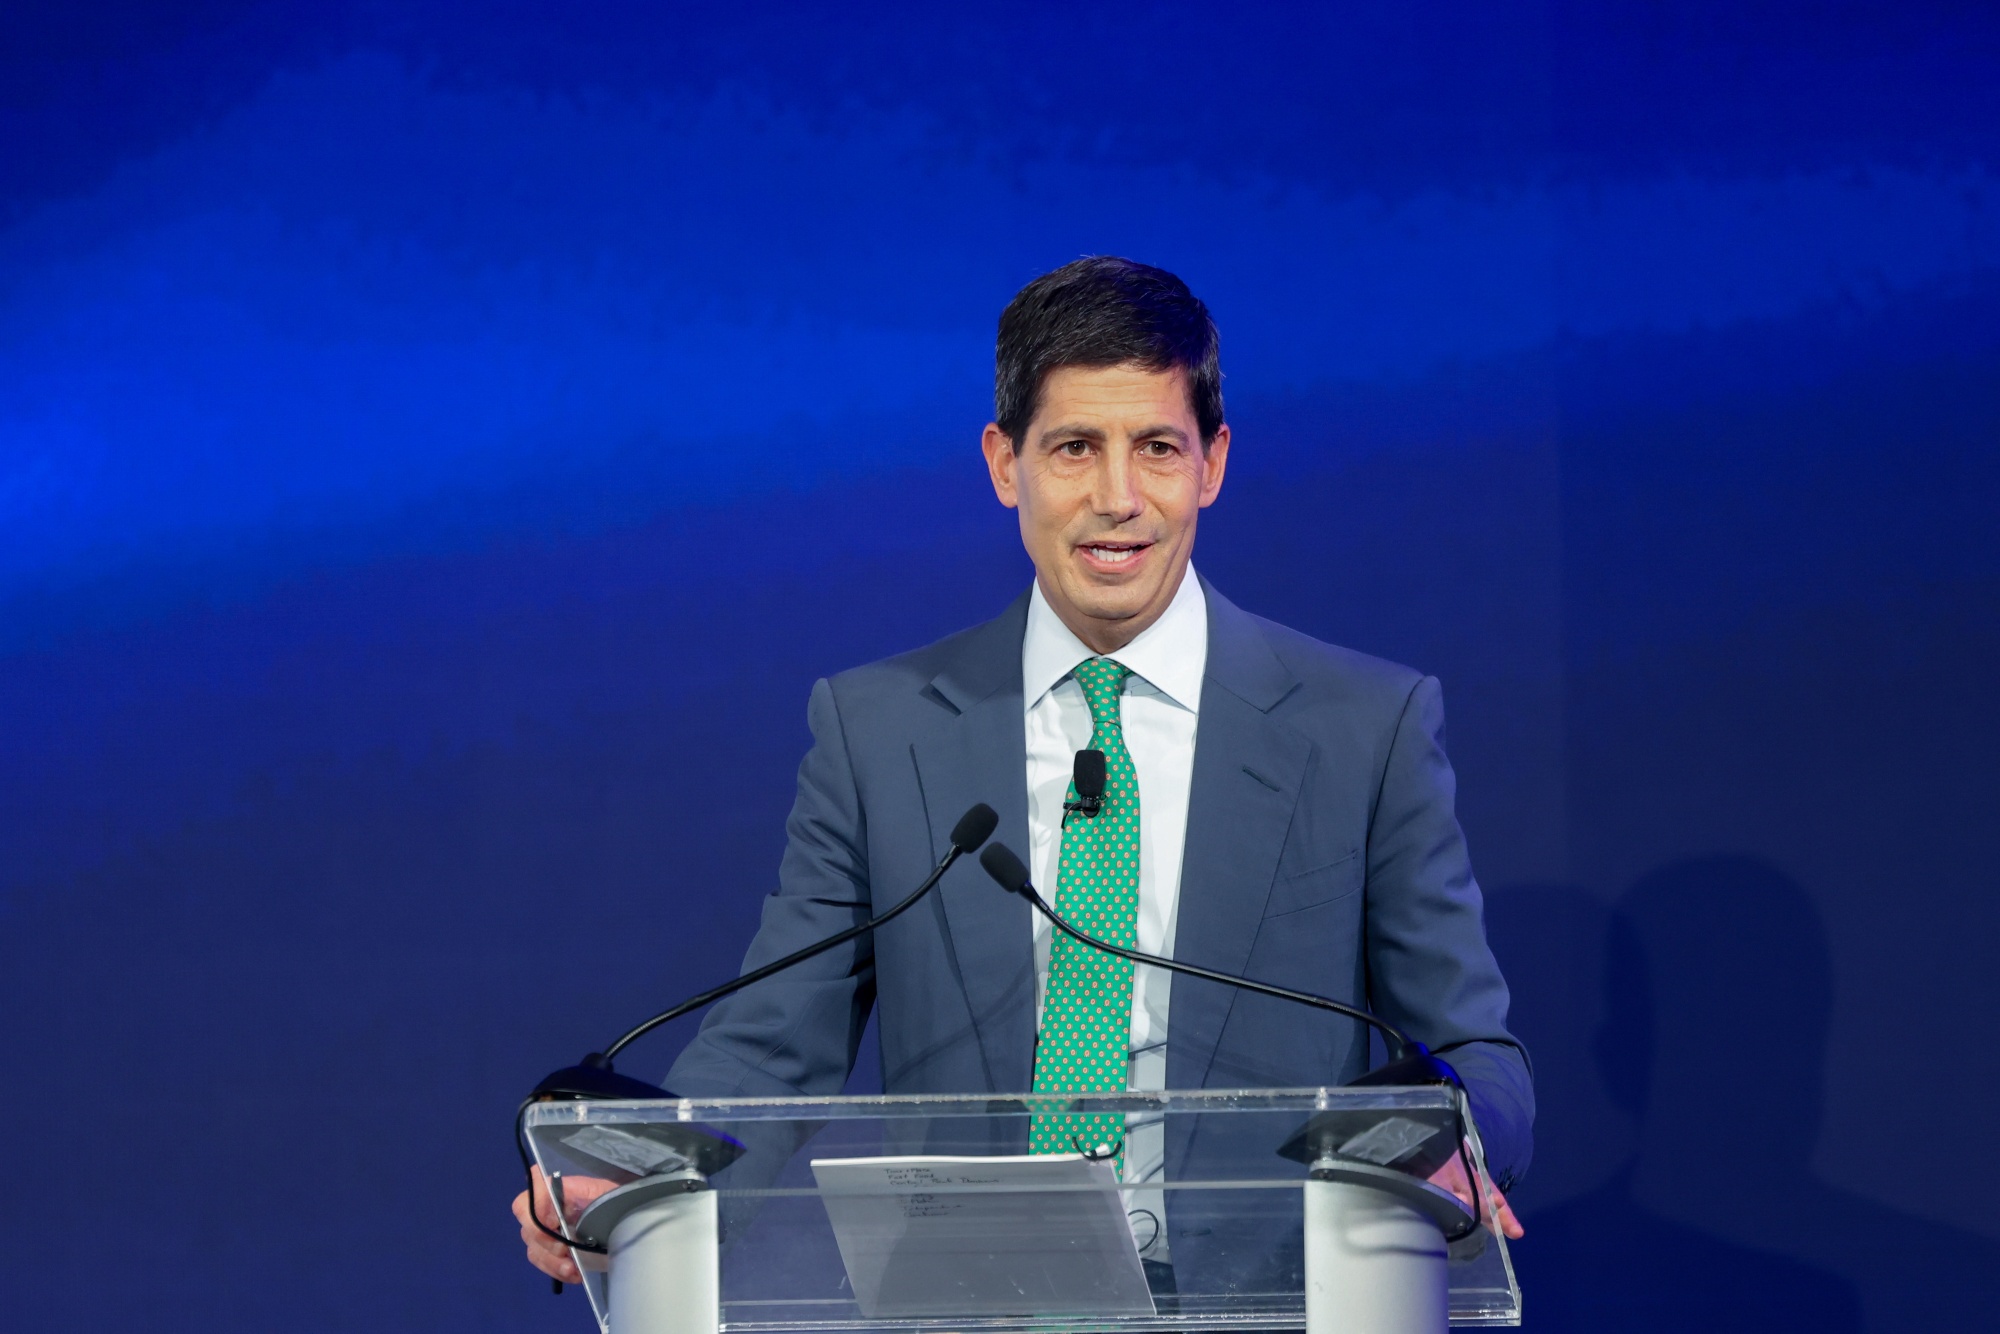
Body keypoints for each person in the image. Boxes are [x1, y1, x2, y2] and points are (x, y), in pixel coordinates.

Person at [515, 256, 1532, 1287]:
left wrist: (1449, 1146)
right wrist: (643, 1190)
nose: (1116, 498)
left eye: (1157, 448)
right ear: (1004, 464)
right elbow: (773, 1045)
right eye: (1073, 448)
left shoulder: (1362, 725)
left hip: (1270, 1299)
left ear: (1213, 464)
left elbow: (1470, 1054)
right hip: (974, 1300)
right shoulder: (880, 731)